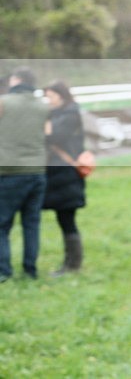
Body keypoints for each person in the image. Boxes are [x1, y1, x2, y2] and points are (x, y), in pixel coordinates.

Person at [0, 67, 50, 282]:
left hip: (10, 171)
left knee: (2, 224)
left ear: (16, 81)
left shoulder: (4, 102)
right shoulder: (43, 106)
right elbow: (48, 133)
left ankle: (4, 270)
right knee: (32, 224)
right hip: (38, 170)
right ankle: (30, 270)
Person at [43, 81, 87, 275]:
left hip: (66, 174)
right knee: (65, 219)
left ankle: (72, 264)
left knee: (67, 219)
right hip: (59, 175)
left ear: (61, 95)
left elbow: (56, 137)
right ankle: (70, 263)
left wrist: (43, 125)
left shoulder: (70, 114)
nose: (48, 100)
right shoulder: (59, 113)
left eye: (50, 96)